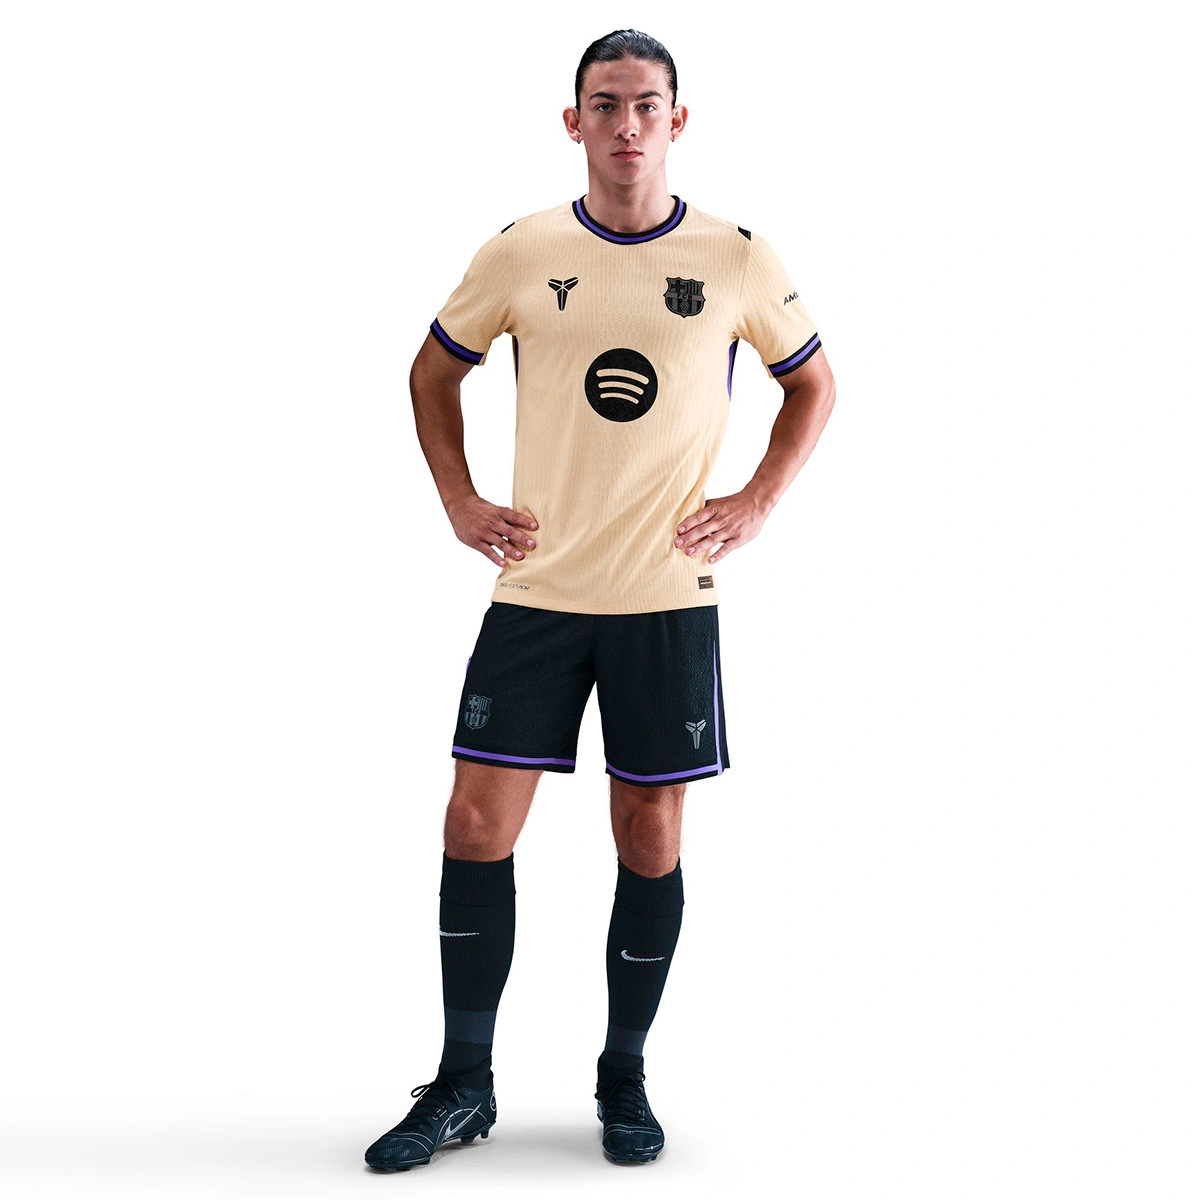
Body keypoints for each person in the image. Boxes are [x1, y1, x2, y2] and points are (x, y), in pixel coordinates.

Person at [364, 28, 836, 1172]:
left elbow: (813, 381)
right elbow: (433, 370)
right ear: (573, 121)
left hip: (665, 596)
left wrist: (759, 500)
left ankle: (623, 1078)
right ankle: (463, 1085)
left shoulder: (736, 257)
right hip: (539, 589)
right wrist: (458, 498)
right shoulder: (523, 250)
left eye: (648, 104)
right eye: (607, 104)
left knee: (650, 834)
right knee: (475, 825)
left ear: (679, 120)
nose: (628, 125)